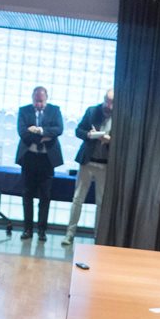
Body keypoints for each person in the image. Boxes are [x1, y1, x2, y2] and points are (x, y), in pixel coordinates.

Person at [63, 89, 113, 247]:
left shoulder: (121, 114)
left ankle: (99, 236)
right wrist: (89, 135)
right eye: (106, 100)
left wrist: (110, 140)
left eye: (112, 102)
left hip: (105, 164)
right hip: (87, 161)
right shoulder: (93, 111)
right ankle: (69, 234)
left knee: (101, 202)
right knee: (77, 199)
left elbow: (126, 139)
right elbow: (79, 130)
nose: (108, 105)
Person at [15, 86, 63, 241]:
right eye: (36, 101)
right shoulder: (24, 111)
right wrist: (42, 137)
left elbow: (58, 130)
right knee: (27, 194)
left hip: (46, 160)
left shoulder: (55, 111)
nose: (39, 104)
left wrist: (40, 131)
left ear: (46, 99)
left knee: (45, 196)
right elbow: (23, 133)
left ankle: (42, 230)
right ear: (32, 98)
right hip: (29, 157)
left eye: (41, 101)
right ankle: (27, 229)